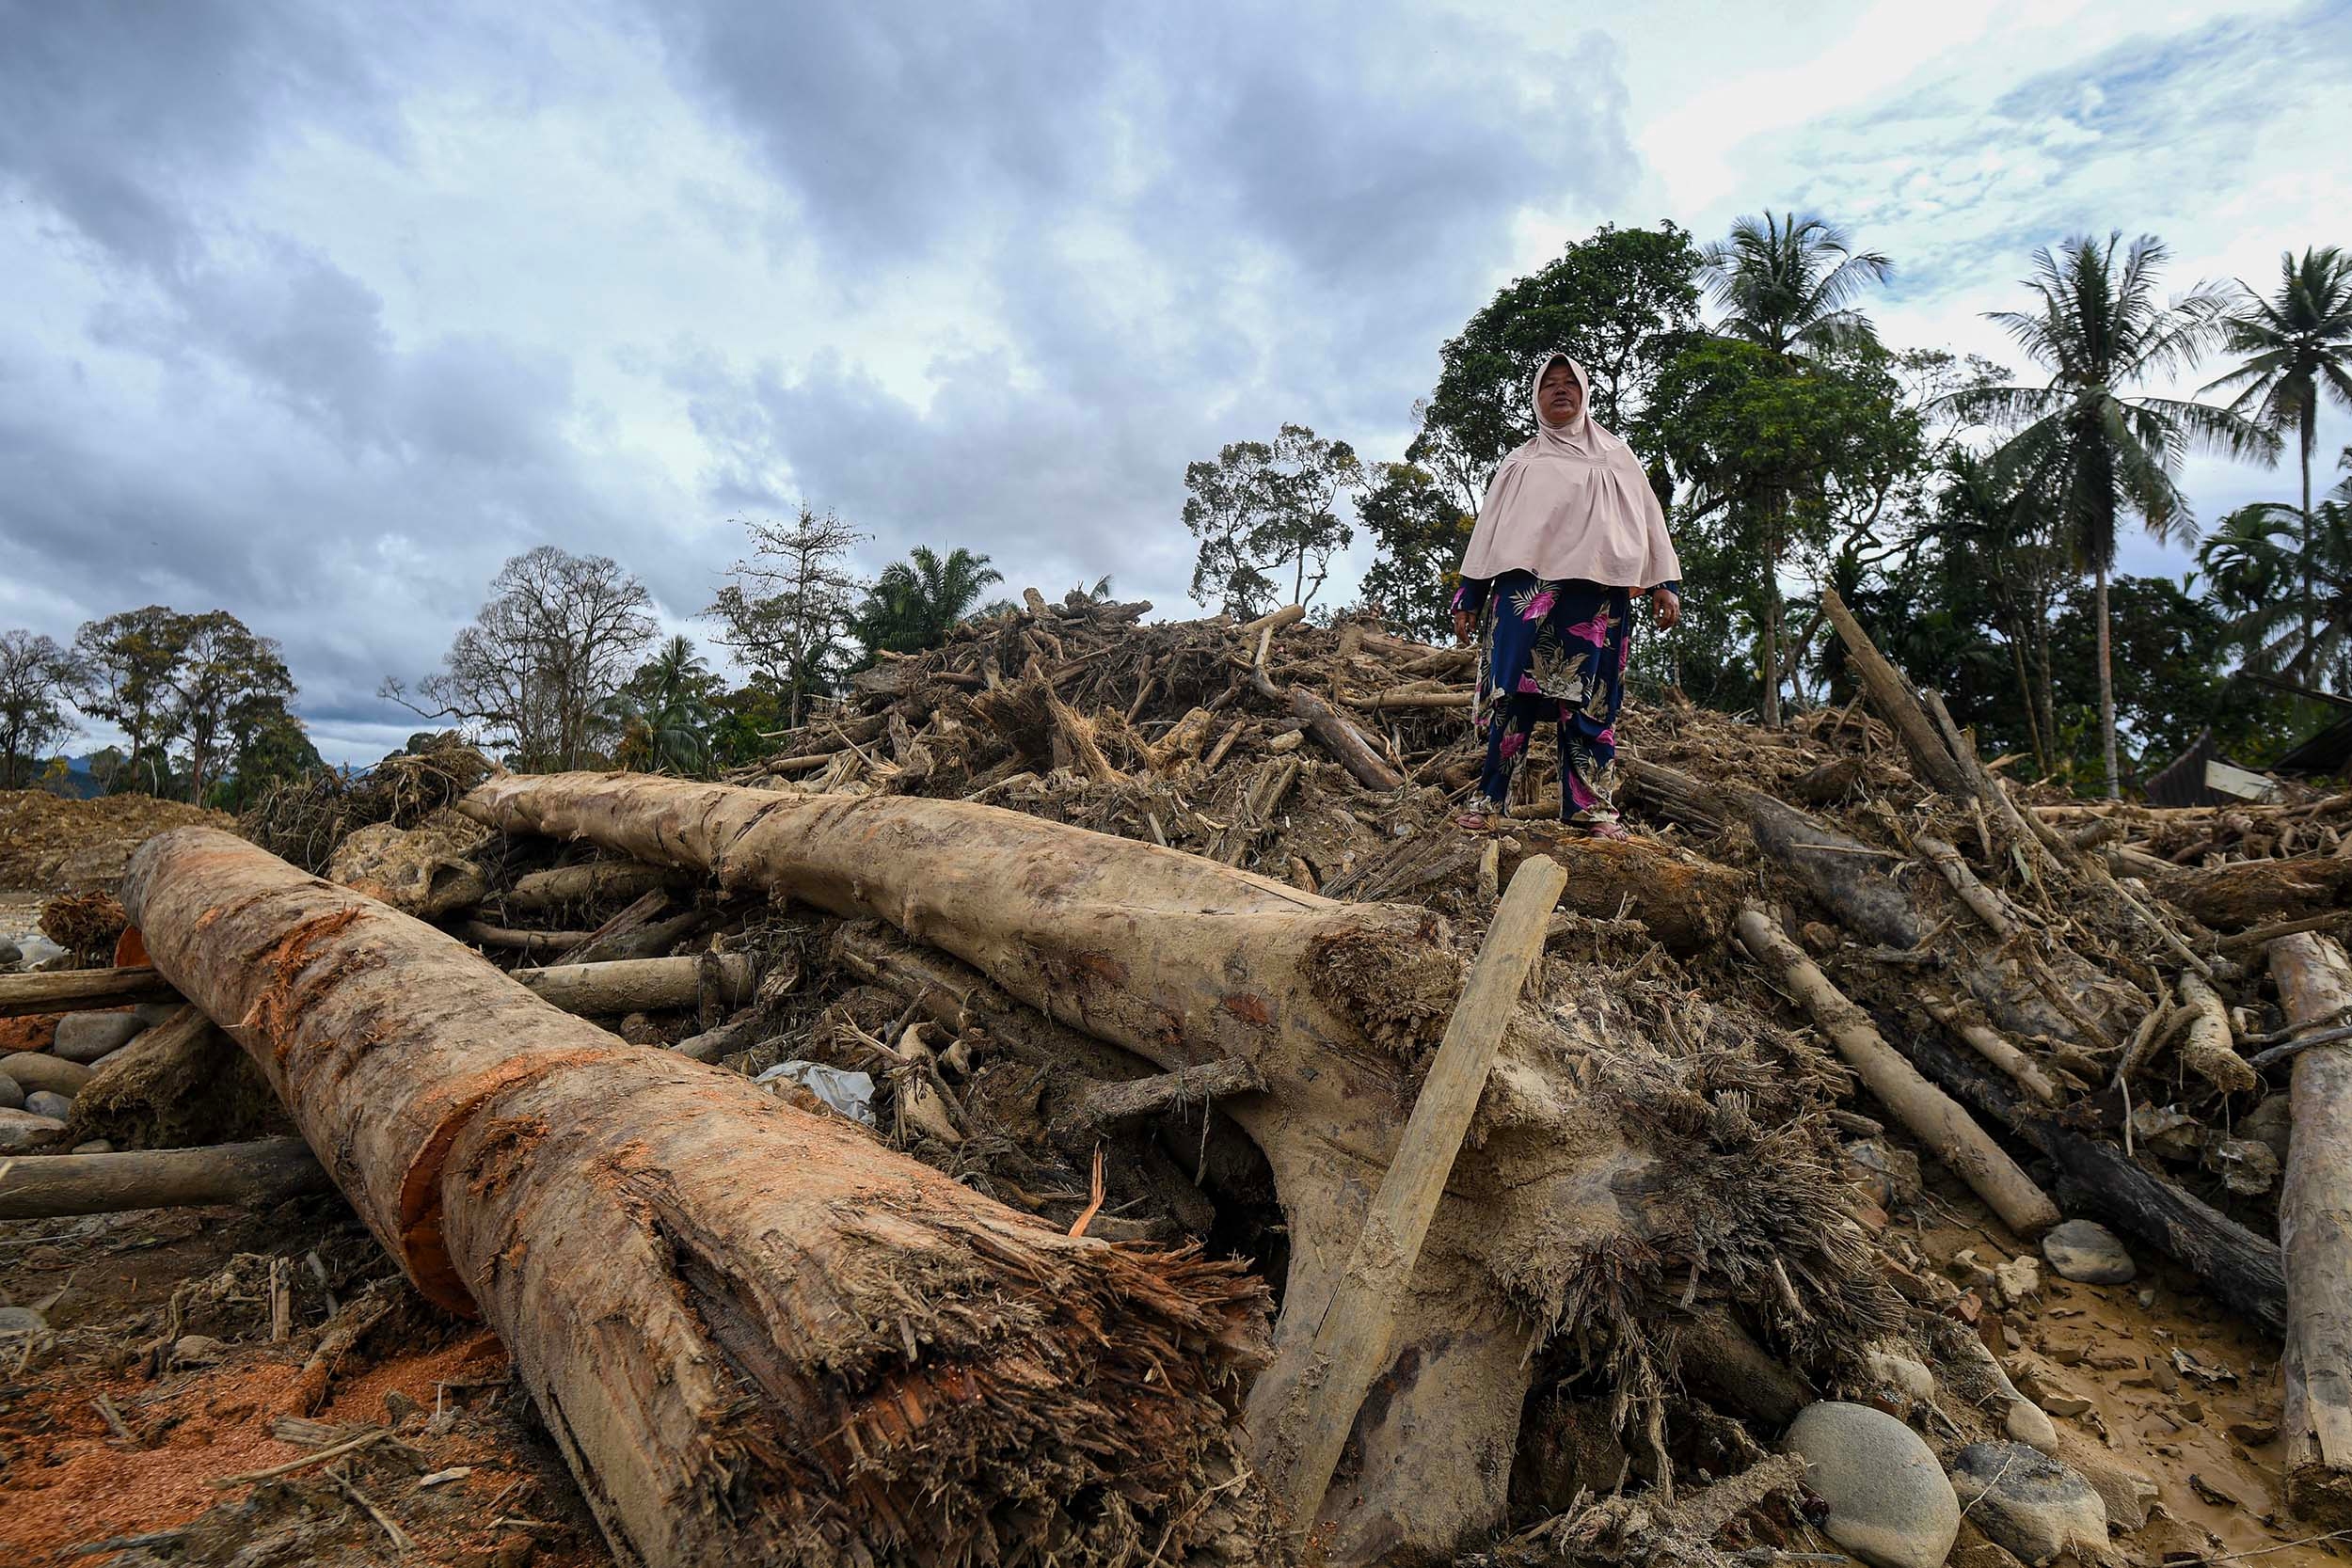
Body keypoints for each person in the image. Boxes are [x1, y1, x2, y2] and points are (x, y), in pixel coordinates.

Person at [1449, 351, 1681, 838]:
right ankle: (1489, 802)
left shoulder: (1617, 457)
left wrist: (1665, 583)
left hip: (1596, 600)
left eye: (1569, 383)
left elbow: (1649, 521)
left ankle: (1591, 809)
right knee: (1510, 699)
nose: (1560, 390)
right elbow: (1489, 530)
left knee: (1591, 705)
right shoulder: (1520, 462)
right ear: (1536, 396)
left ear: (1584, 393)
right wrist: (1469, 594)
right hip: (1525, 596)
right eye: (1549, 384)